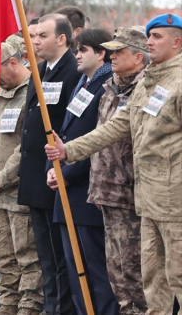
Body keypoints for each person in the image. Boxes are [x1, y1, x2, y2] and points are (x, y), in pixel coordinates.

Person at [46, 13, 182, 315]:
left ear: (178, 42)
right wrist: (68, 150)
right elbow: (116, 126)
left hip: (174, 201)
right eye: (150, 36)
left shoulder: (178, 82)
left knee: (177, 278)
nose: (150, 42)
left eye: (157, 37)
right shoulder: (148, 82)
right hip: (148, 201)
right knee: (150, 280)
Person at [45, 28, 117, 314]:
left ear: (101, 53)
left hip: (87, 190)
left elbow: (98, 140)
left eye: (83, 50)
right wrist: (55, 169)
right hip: (66, 188)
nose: (76, 55)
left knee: (96, 270)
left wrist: (68, 171)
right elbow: (67, 131)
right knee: (75, 268)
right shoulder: (83, 85)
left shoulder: (105, 87)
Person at [0, 37, 44, 314]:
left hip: (17, 192)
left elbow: (27, 144)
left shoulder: (33, 91)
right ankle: (8, 303)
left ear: (13, 63)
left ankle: (29, 306)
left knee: (27, 255)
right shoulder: (0, 93)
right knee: (2, 256)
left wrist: (2, 178)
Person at [18, 13, 79, 315]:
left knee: (59, 253)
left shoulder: (73, 72)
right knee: (44, 252)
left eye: (42, 35)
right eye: (35, 35)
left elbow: (71, 127)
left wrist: (62, 170)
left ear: (62, 39)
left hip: (55, 174)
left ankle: (60, 309)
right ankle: (51, 305)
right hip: (33, 173)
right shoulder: (39, 70)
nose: (36, 41)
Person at [87, 27, 149, 314]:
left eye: (119, 52)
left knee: (137, 272)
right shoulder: (110, 88)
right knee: (117, 272)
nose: (111, 56)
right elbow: (101, 139)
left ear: (138, 57)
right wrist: (97, 187)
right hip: (108, 193)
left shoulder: (146, 90)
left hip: (134, 196)